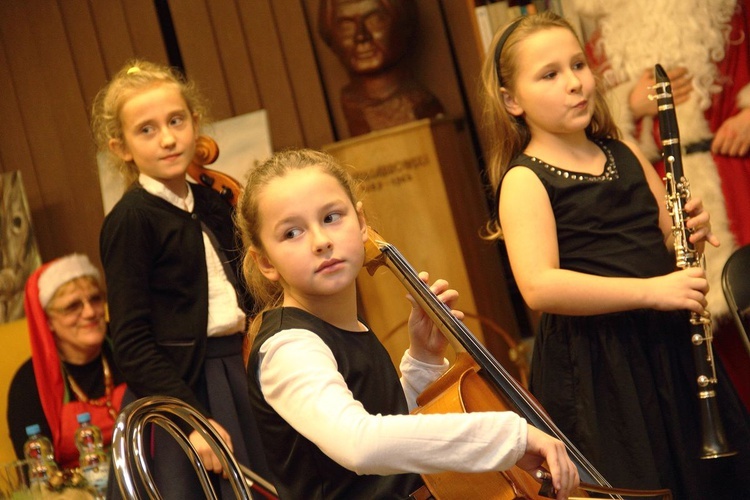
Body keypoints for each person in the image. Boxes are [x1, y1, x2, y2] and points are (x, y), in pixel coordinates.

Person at [480, 11, 750, 499]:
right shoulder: (525, 179)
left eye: (578, 65)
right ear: (511, 101)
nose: (575, 83)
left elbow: (670, 240)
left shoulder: (622, 149)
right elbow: (540, 286)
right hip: (598, 365)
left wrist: (690, 232)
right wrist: (652, 291)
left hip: (667, 344)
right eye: (550, 74)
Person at [237, 148, 579, 500]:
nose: (321, 241)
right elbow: (359, 443)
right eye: (292, 233)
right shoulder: (288, 347)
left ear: (361, 222)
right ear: (265, 262)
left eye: (331, 217)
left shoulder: (345, 328)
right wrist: (510, 437)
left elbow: (387, 425)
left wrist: (423, 361)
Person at [92, 59, 271, 499]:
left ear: (195, 122)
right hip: (184, 391)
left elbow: (250, 300)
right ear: (122, 148)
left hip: (239, 371)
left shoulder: (214, 203)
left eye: (176, 121)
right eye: (147, 130)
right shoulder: (131, 221)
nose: (168, 138)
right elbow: (132, 343)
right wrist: (191, 419)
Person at [575, 0, 750, 409]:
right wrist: (626, 104)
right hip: (660, 193)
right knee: (697, 333)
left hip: (739, 175)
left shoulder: (734, 12)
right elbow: (591, 130)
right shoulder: (602, 41)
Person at [7, 253, 126, 470]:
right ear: (48, 321)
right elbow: (37, 473)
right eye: (72, 307)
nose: (90, 312)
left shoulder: (129, 346)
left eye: (95, 299)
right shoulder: (29, 383)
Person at [318, 0, 444, 136]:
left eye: (375, 20)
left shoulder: (420, 103)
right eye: (346, 26)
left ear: (404, 25)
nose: (361, 36)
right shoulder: (351, 105)